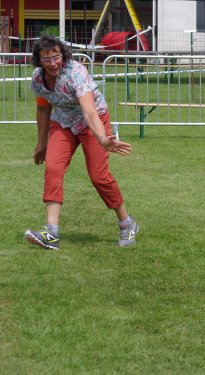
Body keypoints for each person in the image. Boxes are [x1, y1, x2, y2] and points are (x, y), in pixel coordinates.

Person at [24, 36, 138, 250]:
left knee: (99, 176)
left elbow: (89, 110)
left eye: (56, 57)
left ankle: (127, 224)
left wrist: (102, 137)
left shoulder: (76, 72)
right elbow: (43, 109)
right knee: (53, 168)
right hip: (63, 122)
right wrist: (42, 143)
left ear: (63, 55)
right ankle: (51, 233)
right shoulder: (38, 78)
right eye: (46, 59)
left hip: (92, 122)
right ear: (39, 61)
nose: (53, 63)